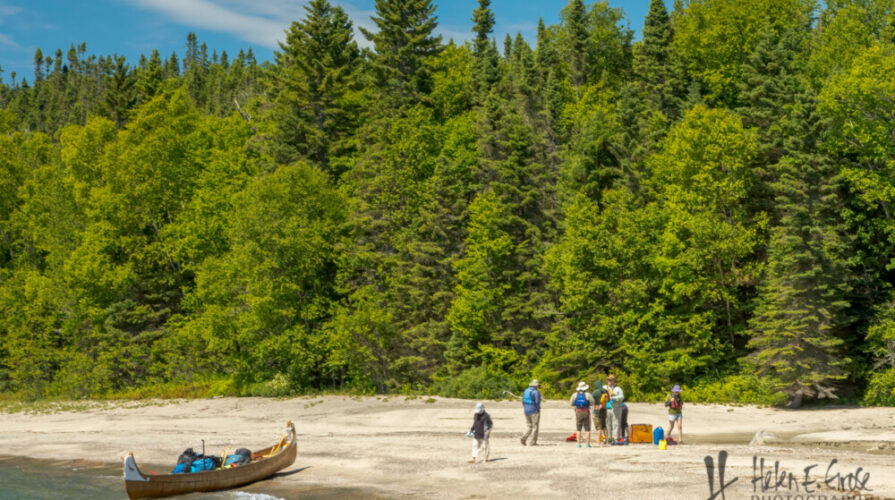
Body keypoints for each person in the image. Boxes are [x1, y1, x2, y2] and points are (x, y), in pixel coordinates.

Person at [569, 381, 595, 448]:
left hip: (578, 412)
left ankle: (578, 444)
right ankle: (588, 444)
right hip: (586, 411)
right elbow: (592, 402)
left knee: (578, 429)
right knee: (587, 428)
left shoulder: (575, 395)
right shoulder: (588, 394)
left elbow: (571, 403)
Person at [604, 375, 625, 445]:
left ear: (614, 381)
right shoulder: (604, 388)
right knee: (608, 424)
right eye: (608, 380)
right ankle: (609, 438)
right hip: (607, 408)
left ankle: (616, 438)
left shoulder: (618, 389)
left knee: (616, 423)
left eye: (610, 380)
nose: (609, 381)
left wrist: (614, 397)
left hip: (616, 408)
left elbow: (622, 397)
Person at [521, 379, 541, 446]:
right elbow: (537, 402)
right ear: (536, 385)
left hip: (526, 410)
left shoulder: (526, 391)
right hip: (534, 410)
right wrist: (538, 410)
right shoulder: (536, 392)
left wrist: (526, 408)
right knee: (535, 427)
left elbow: (523, 401)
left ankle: (524, 438)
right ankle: (533, 442)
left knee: (529, 426)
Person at [591, 379, 609, 445]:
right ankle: (606, 441)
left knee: (599, 427)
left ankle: (598, 442)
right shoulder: (606, 391)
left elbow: (591, 401)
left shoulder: (595, 392)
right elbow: (609, 400)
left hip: (597, 410)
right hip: (604, 410)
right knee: (604, 426)